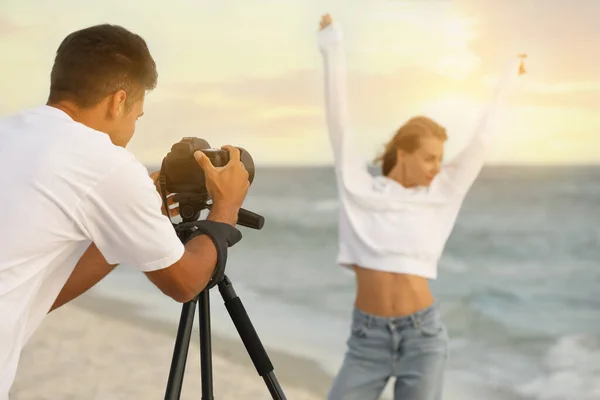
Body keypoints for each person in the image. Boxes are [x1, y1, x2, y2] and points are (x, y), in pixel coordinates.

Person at [0, 24, 250, 399]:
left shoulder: (12, 133)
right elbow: (185, 283)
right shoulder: (105, 162)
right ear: (118, 101)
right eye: (137, 116)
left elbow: (29, 291)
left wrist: (128, 223)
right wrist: (226, 208)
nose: (132, 129)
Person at [317, 13, 525, 400]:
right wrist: (333, 45)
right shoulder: (358, 186)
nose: (437, 168)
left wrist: (510, 76)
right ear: (403, 153)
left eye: (440, 158)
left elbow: (481, 142)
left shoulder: (442, 194)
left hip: (423, 339)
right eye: (429, 158)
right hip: (367, 341)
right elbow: (339, 121)